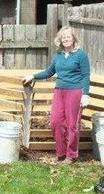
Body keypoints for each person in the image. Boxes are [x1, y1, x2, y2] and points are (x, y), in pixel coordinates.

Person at [23, 26, 90, 163]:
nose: (66, 39)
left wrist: (85, 94)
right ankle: (61, 153)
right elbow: (49, 72)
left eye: (68, 36)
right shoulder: (58, 55)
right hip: (59, 91)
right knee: (55, 122)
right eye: (63, 37)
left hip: (75, 91)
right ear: (60, 40)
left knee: (72, 125)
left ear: (73, 38)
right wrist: (33, 76)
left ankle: (71, 155)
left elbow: (85, 76)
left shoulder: (81, 55)